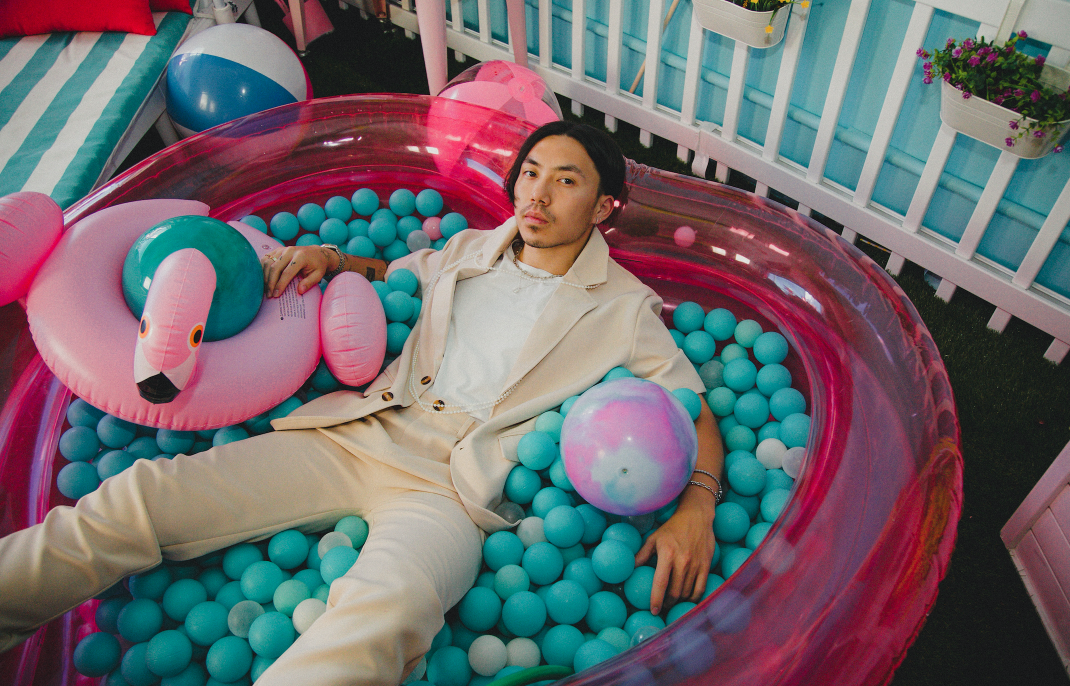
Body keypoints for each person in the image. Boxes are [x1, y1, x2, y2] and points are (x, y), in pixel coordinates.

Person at [0, 121, 723, 685]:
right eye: (530, 172)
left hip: (456, 488)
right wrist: (334, 259)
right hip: (361, 430)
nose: (537, 193)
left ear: (603, 206)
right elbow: (392, 273)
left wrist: (696, 504)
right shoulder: (469, 250)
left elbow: (693, 407)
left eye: (565, 181)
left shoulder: (626, 306)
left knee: (386, 613)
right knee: (142, 497)